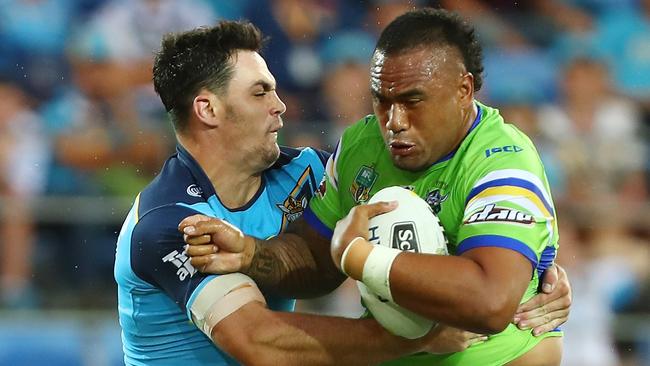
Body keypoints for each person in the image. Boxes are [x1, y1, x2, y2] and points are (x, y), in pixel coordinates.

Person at [183, 8, 571, 366]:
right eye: (382, 101)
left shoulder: (502, 162)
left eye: (412, 100)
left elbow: (490, 302)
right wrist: (250, 253)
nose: (394, 121)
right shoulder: (360, 147)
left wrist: (360, 258)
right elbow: (316, 259)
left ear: (463, 90)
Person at [115, 20, 509, 365]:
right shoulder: (167, 223)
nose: (280, 105)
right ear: (208, 109)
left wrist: (531, 268)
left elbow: (432, 211)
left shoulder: (307, 171)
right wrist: (416, 340)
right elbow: (261, 343)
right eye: (260, 92)